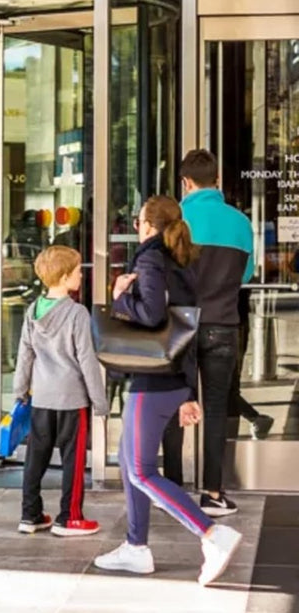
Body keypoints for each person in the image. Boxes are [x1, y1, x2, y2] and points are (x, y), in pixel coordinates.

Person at [94, 196, 243, 585]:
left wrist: (120, 296)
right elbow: (185, 327)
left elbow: (152, 315)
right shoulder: (182, 259)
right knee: (130, 464)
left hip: (153, 380)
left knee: (141, 470)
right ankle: (136, 547)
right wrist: (188, 391)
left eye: (139, 219)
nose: (136, 225)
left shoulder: (150, 258)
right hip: (171, 377)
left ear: (148, 225)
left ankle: (211, 534)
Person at [13, 245, 108, 537]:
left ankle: (30, 514)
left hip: (41, 397)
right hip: (71, 399)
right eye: (78, 271)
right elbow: (87, 360)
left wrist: (20, 390)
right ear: (65, 277)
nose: (81, 275)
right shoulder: (77, 313)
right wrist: (100, 401)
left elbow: (25, 355)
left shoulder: (32, 310)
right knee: (73, 461)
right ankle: (70, 517)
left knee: (36, 457)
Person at [180, 149, 254, 516]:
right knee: (215, 409)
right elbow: (246, 274)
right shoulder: (240, 222)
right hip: (223, 325)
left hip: (181, 326)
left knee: (175, 403)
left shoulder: (178, 218)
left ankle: (171, 489)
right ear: (218, 180)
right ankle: (213, 493)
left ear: (186, 183)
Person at [228, 288, 273, 439]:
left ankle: (251, 421)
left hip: (230, 324)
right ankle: (253, 421)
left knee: (227, 386)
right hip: (229, 322)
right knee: (228, 386)